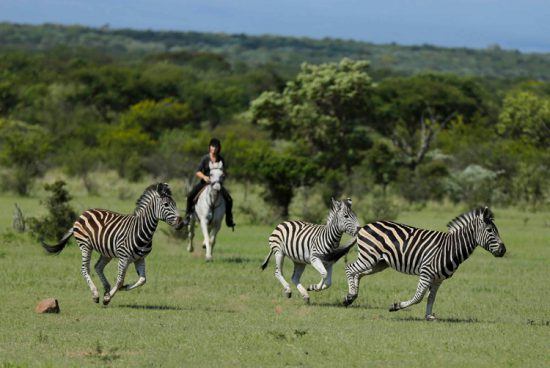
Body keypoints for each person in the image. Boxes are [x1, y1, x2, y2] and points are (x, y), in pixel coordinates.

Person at [182, 138, 236, 229]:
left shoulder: (221, 159)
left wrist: (223, 175)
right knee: (191, 195)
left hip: (217, 184)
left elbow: (225, 172)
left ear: (219, 148)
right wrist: (204, 177)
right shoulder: (205, 158)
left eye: (216, 147)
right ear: (209, 147)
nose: (214, 148)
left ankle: (229, 219)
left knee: (229, 199)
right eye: (212, 146)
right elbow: (198, 172)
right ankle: (187, 216)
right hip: (205, 183)